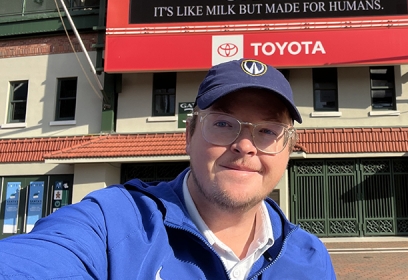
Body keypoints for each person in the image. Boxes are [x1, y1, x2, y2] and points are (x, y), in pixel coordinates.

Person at [0, 58, 336, 280]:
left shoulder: (310, 257)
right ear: (189, 135)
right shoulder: (111, 223)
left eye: (267, 131)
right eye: (222, 123)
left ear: (288, 148)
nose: (245, 145)